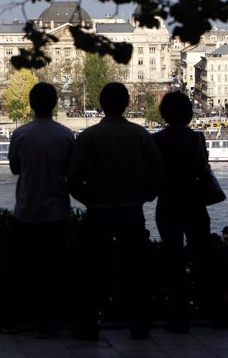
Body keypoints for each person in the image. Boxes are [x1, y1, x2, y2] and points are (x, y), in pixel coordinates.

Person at [68, 82, 163, 340]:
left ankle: (88, 326)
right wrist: (143, 197)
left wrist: (90, 199)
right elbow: (157, 174)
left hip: (98, 212)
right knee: (135, 273)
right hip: (131, 212)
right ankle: (139, 326)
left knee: (93, 272)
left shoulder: (88, 138)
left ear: (101, 105)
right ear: (127, 104)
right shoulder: (141, 135)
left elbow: (73, 179)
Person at [0, 81, 74, 337]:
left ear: (30, 105)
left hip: (26, 210)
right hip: (57, 212)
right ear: (55, 104)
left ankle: (11, 321)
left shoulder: (20, 135)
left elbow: (15, 169)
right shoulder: (66, 135)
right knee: (53, 271)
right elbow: (70, 172)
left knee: (18, 270)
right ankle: (47, 323)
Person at [151, 91, 213, 333]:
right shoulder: (197, 139)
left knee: (173, 259)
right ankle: (211, 309)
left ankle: (178, 316)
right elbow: (202, 168)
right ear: (189, 113)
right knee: (202, 257)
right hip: (195, 204)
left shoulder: (157, 140)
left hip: (168, 204)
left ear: (164, 113)